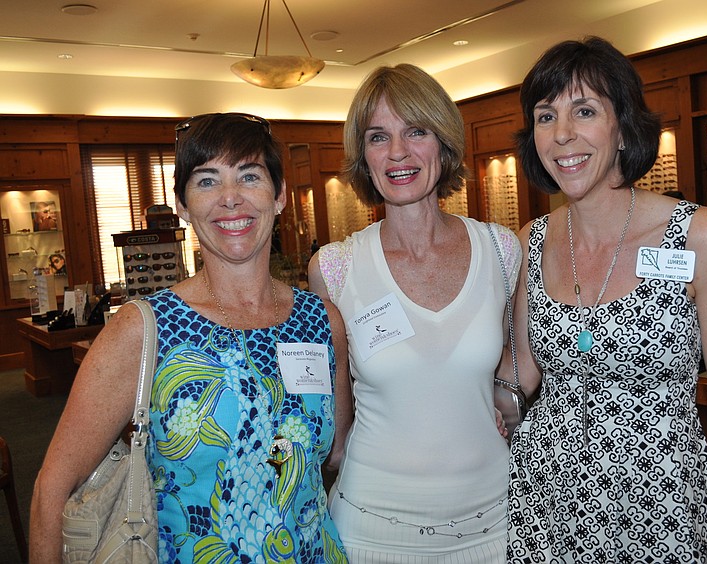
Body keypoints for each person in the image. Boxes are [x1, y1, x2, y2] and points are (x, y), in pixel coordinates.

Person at [30, 113, 351, 563]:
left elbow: (334, 454)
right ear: (182, 204)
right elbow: (53, 485)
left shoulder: (321, 320)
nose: (230, 199)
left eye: (249, 176)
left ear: (279, 195)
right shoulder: (146, 328)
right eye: (206, 181)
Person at [507, 37, 707, 562]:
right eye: (546, 117)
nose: (563, 135)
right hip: (546, 507)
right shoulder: (531, 240)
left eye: (585, 111)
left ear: (623, 127)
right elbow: (519, 376)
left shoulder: (698, 235)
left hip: (665, 510)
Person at [308, 64, 520, 562]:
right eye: (379, 137)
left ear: (444, 145)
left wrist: (503, 396)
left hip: (496, 526)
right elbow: (332, 409)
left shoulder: (502, 250)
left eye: (416, 131)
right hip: (373, 532)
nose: (398, 152)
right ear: (364, 156)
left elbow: (520, 357)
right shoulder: (335, 268)